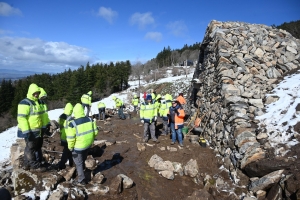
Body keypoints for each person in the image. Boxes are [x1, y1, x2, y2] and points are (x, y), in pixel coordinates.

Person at [17, 83, 47, 172]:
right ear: (30, 92)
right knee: (31, 148)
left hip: (38, 130)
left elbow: (42, 116)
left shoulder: (38, 102)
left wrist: (45, 125)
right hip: (30, 130)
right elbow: (21, 118)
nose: (36, 94)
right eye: (35, 93)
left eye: (37, 93)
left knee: (36, 147)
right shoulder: (25, 103)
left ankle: (27, 164)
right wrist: (26, 131)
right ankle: (35, 166)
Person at [66, 103, 98, 186]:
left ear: (75, 112)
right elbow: (96, 132)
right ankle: (82, 170)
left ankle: (81, 180)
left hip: (78, 147)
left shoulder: (72, 123)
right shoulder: (90, 120)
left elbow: (70, 138)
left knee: (78, 162)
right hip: (88, 144)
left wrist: (70, 147)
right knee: (83, 158)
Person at [57, 103, 74, 170]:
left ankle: (70, 162)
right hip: (68, 137)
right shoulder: (70, 118)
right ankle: (61, 164)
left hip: (62, 137)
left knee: (68, 150)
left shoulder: (61, 116)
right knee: (66, 151)